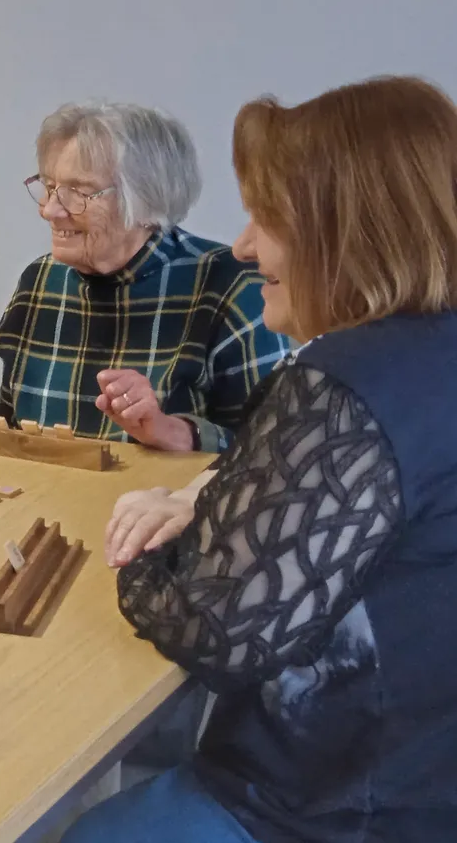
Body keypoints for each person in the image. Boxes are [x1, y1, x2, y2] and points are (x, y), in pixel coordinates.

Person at [67, 76, 457, 842]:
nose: (244, 244)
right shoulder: (427, 356)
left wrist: (155, 545)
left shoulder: (348, 380)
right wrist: (211, 498)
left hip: (337, 805)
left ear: (344, 229)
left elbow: (219, 630)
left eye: (266, 218)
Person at [0, 102, 288, 452]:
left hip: (164, 504)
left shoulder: (233, 287)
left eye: (80, 193)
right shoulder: (40, 282)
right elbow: (6, 426)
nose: (50, 210)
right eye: (50, 186)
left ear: (148, 203)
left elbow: (275, 453)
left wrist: (174, 432)